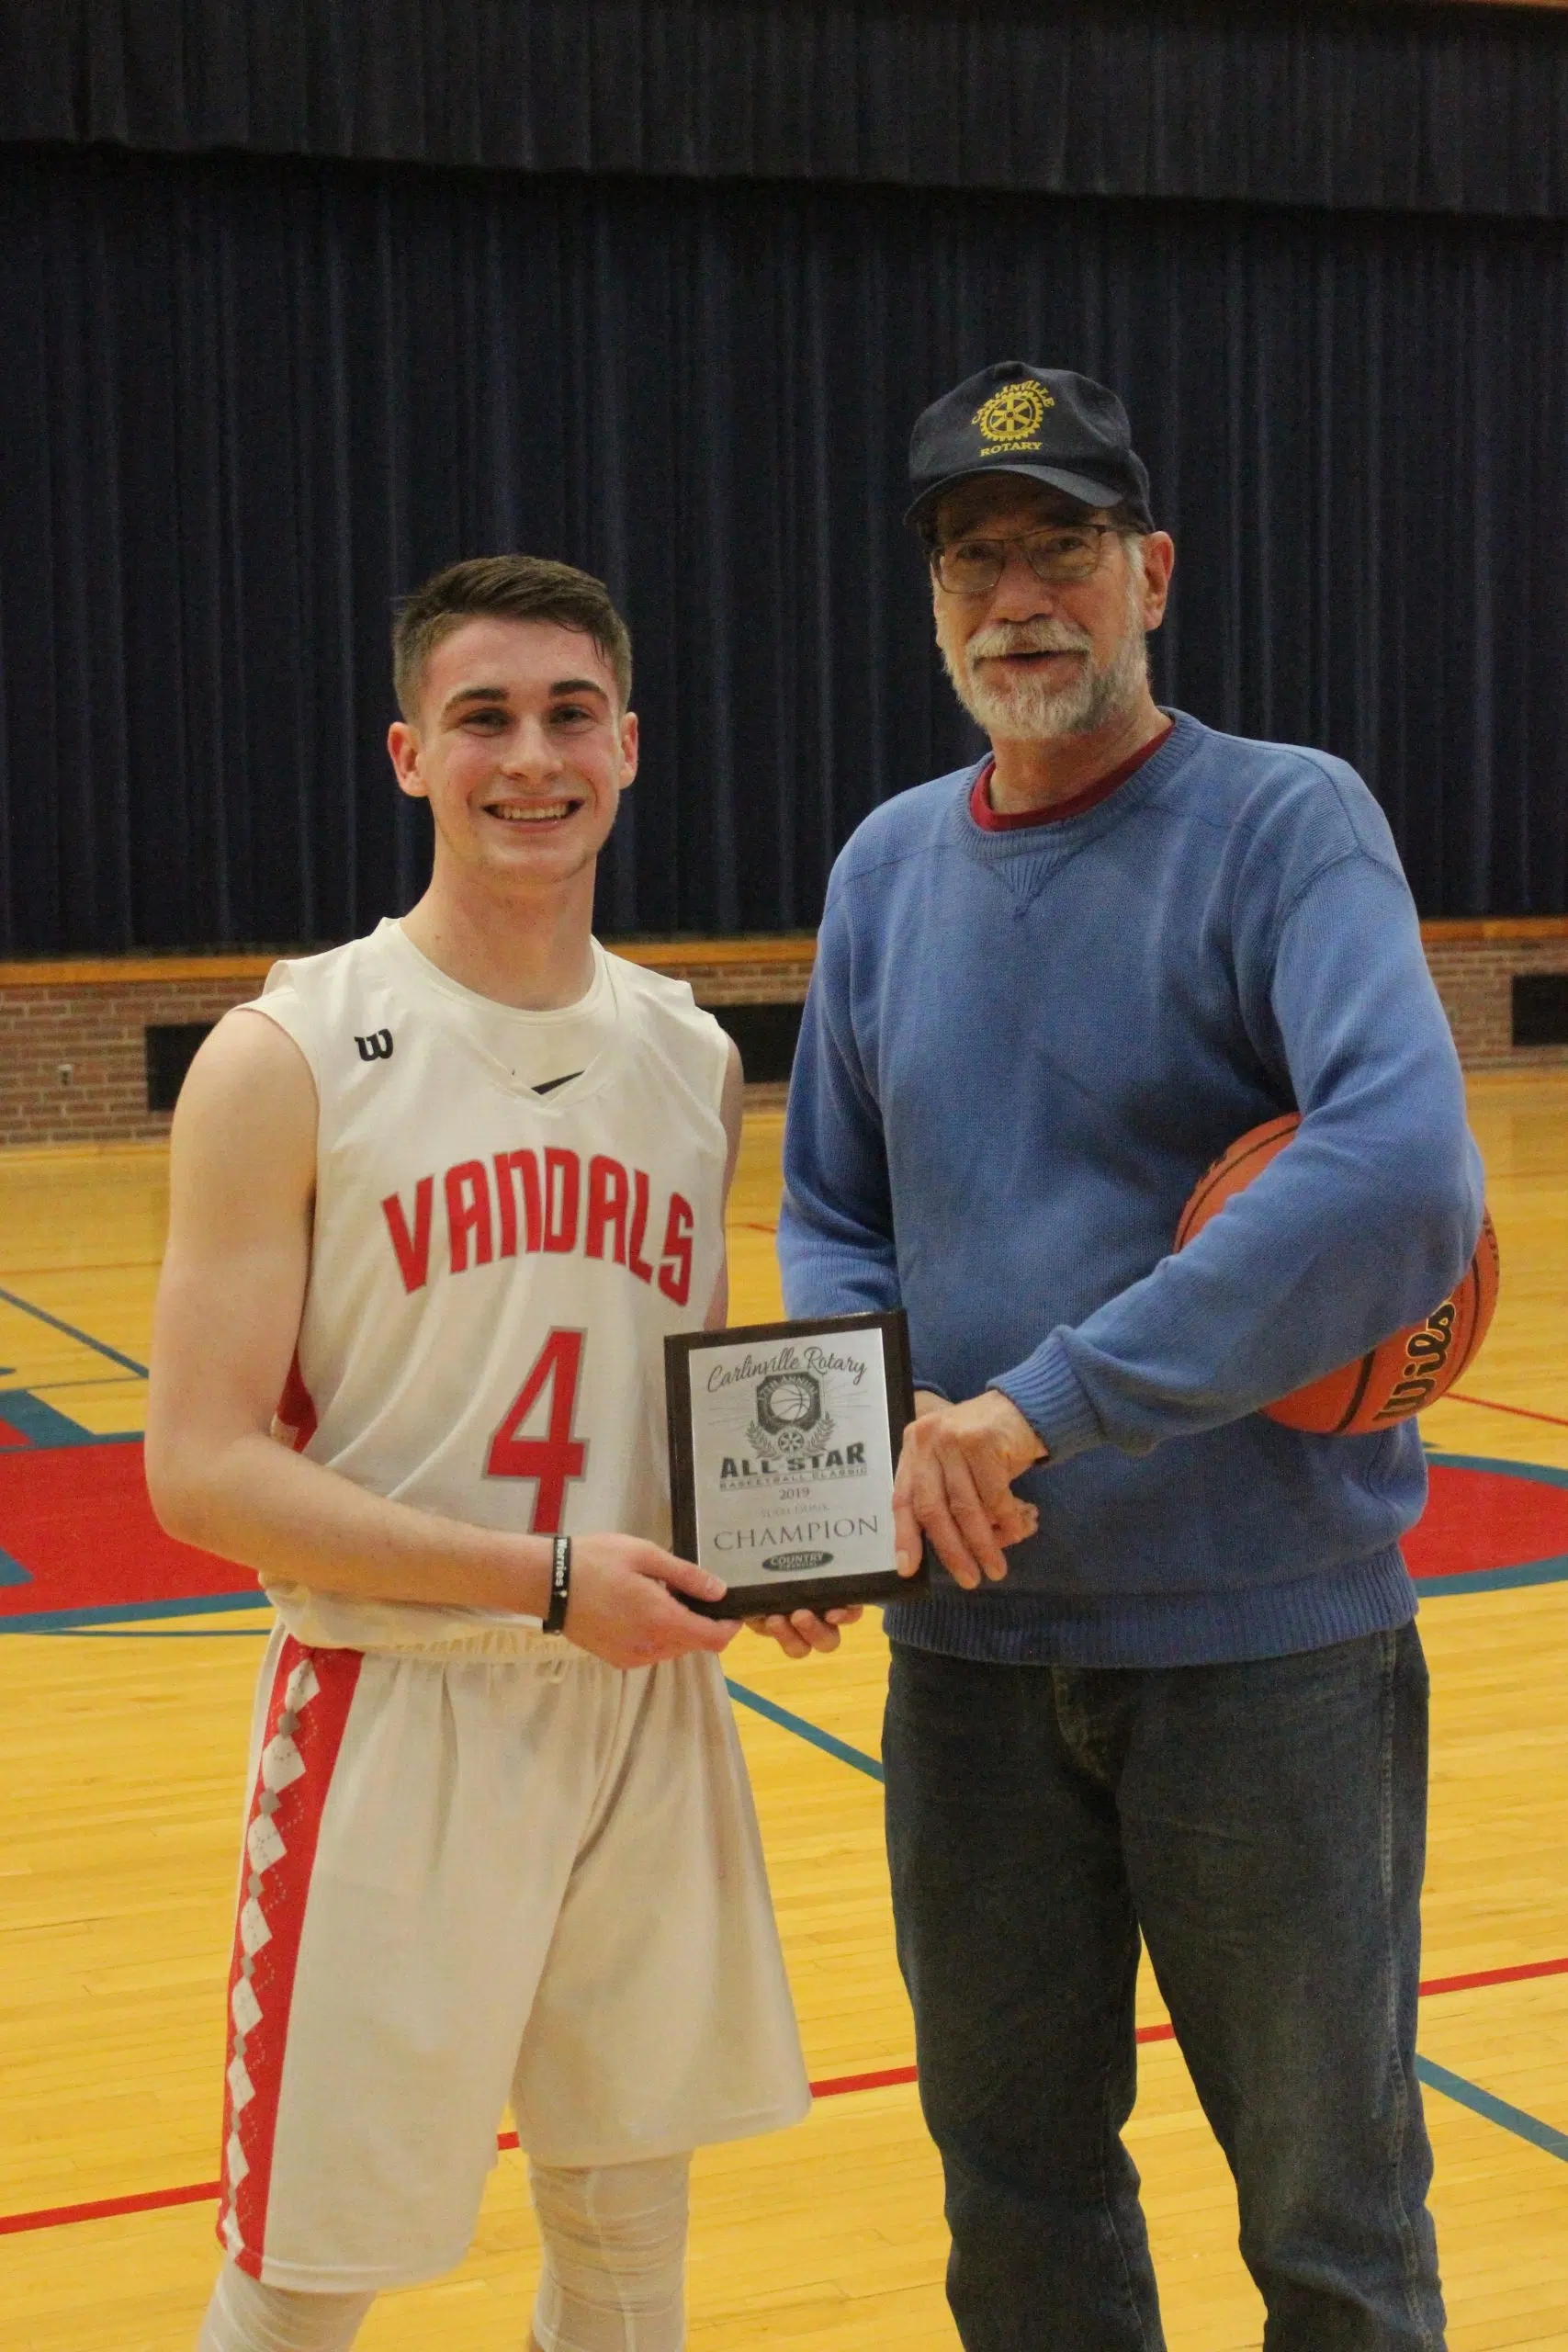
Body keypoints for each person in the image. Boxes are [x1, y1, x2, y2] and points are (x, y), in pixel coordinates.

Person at [768, 362, 1480, 2350]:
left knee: (1331, 2210)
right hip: (973, 1665)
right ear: (932, 604)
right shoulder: (886, 868)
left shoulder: (1284, 822)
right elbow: (832, 1207)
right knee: (1015, 2190)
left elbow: (1397, 1170)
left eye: (1060, 547)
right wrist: (837, 1481)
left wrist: (1031, 1406)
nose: (1018, 596)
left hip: (1266, 1655)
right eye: (973, 557)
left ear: (1148, 570)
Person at [146, 554, 811, 2352]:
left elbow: (676, 1387)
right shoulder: (287, 1051)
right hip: (397, 1701)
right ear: (406, 755)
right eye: (484, 718)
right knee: (306, 2277)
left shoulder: (685, 1051)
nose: (533, 757)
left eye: (569, 714)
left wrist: (770, 1547)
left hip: (639, 1709)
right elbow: (196, 1466)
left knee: (626, 2245)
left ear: (632, 746)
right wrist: (540, 1577)